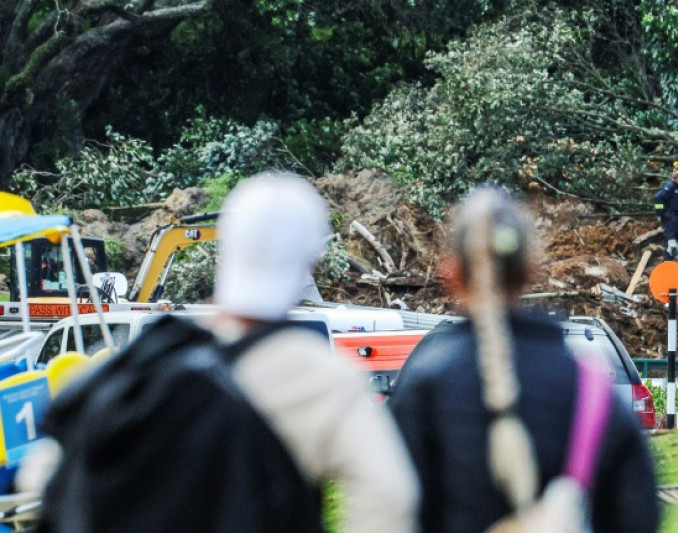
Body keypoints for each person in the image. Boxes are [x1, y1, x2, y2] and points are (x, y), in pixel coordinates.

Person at [35, 172, 419, 533]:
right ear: (311, 261)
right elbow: (389, 496)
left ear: (226, 249)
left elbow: (46, 475)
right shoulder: (315, 374)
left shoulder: (150, 355)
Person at [389, 186, 660, 533]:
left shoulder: (424, 388)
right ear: (530, 268)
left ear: (451, 274)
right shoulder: (591, 390)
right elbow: (638, 517)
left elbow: (388, 510)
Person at [654, 162, 678, 260]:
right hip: (671, 218)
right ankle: (667, 262)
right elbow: (658, 197)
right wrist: (663, 213)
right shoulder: (670, 186)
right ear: (675, 176)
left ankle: (670, 262)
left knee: (676, 243)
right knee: (670, 243)